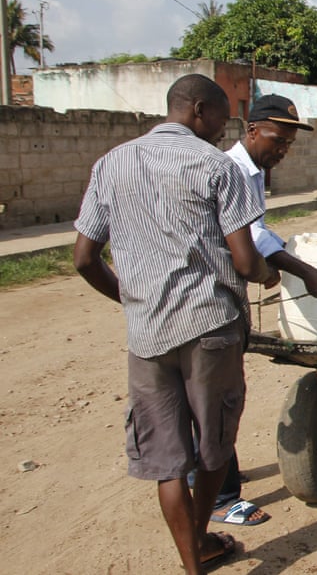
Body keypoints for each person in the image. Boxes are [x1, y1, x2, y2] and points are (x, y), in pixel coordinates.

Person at [73, 74, 278, 573]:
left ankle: (194, 563)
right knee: (213, 448)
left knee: (168, 462)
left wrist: (130, 299)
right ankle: (204, 536)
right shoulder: (215, 166)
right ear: (199, 110)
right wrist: (270, 275)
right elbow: (246, 261)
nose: (223, 126)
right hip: (210, 327)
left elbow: (83, 257)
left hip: (147, 334)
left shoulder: (111, 163)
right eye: (222, 116)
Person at [215, 94, 317, 526]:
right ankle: (221, 498)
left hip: (225, 292)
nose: (282, 151)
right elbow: (251, 234)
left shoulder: (250, 172)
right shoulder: (232, 170)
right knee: (218, 396)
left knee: (221, 394)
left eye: (288, 143)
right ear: (251, 131)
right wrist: (299, 269)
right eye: (277, 139)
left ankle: (218, 473)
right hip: (210, 300)